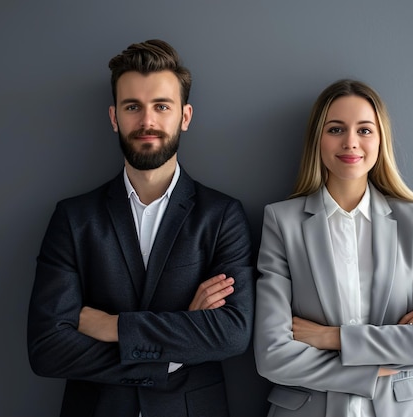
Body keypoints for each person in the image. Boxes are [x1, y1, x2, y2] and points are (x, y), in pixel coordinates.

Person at [27, 39, 255, 417]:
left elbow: (231, 333)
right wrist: (169, 355)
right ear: (115, 117)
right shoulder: (74, 218)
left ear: (185, 116)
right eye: (133, 107)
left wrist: (113, 326)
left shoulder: (222, 216)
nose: (147, 121)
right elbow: (47, 348)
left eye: (161, 106)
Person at [254, 79, 413, 417]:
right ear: (318, 139)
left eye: (364, 130)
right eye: (336, 129)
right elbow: (273, 355)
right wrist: (376, 365)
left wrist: (331, 338)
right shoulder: (281, 222)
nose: (351, 142)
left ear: (380, 140)